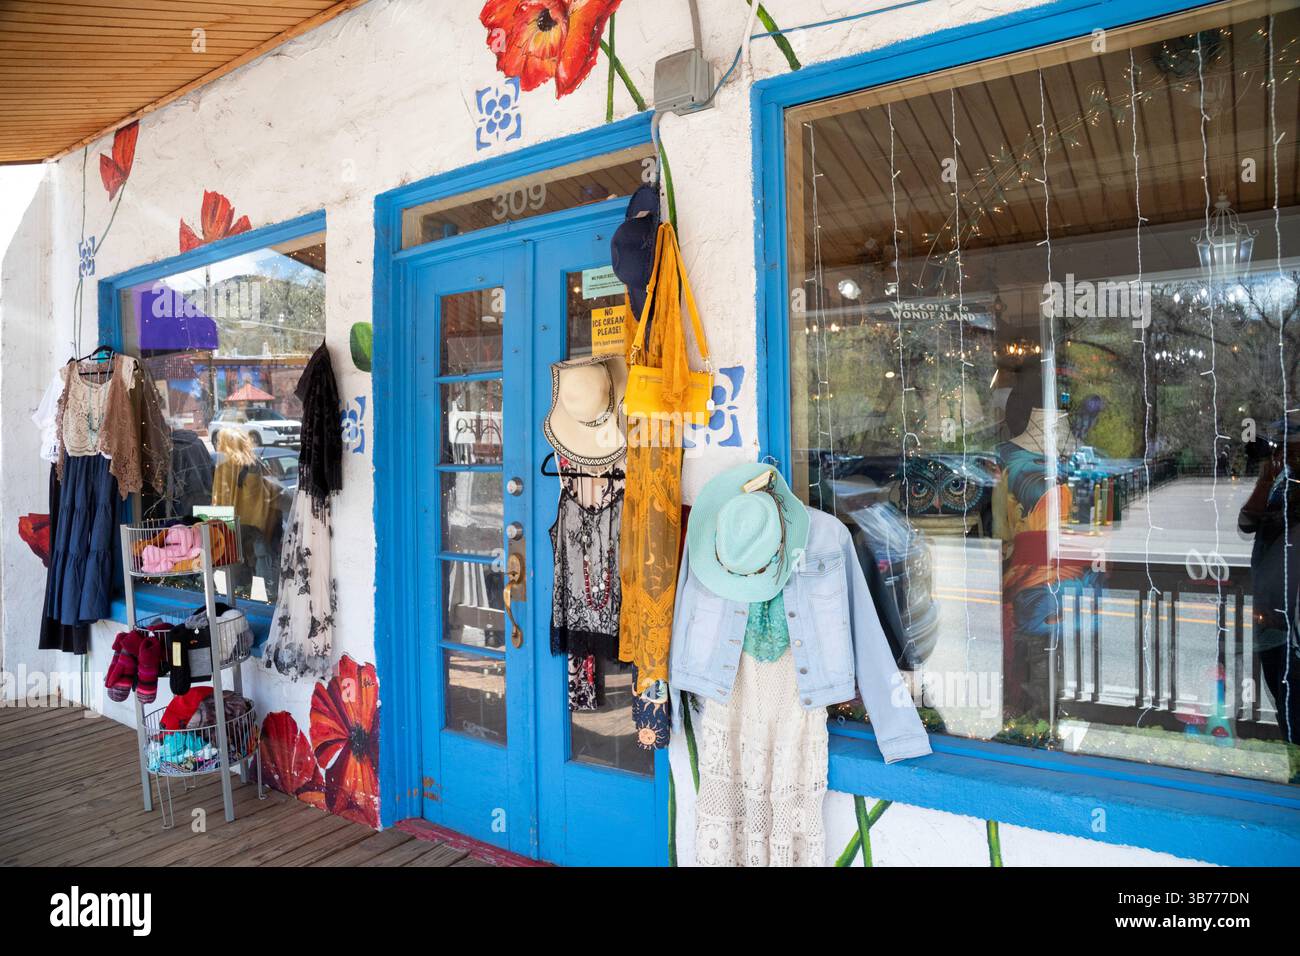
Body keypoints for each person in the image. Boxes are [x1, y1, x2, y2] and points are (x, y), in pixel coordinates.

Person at [1238, 421, 1300, 746]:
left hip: (1293, 630)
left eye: (1292, 443)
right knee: (1284, 706)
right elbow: (1245, 522)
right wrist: (1265, 478)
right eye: (1283, 443)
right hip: (1271, 620)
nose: (1284, 449)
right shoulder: (1280, 481)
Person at [212, 428, 282, 603]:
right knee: (262, 577)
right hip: (257, 528)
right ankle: (265, 600)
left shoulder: (224, 469)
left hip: (236, 530)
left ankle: (245, 601)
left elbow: (218, 502)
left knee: (238, 580)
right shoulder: (253, 465)